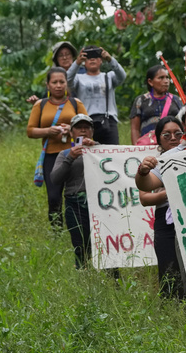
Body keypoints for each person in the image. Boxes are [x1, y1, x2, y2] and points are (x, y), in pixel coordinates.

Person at [26, 67, 88, 227]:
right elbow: (30, 131)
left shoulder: (76, 103)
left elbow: (88, 129)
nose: (58, 85)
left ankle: (79, 228)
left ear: (67, 84)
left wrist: (71, 129)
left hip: (75, 154)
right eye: (54, 82)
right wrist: (48, 131)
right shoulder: (40, 105)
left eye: (62, 82)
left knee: (77, 194)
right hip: (51, 156)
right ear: (48, 85)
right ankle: (57, 231)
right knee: (54, 197)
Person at [137, 116, 186, 300]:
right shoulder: (154, 164)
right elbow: (144, 198)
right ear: (158, 138)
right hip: (165, 221)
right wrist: (172, 192)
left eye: (178, 133)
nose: (173, 138)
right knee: (169, 268)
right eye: (166, 135)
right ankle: (173, 307)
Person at [49, 114, 98, 269]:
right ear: (71, 132)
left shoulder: (102, 150)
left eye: (87, 127)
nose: (83, 130)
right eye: (78, 127)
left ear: (92, 131)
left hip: (99, 203)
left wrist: (96, 147)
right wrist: (70, 157)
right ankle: (83, 274)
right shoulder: (63, 154)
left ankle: (113, 279)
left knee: (103, 243)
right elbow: (55, 179)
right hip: (75, 203)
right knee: (80, 244)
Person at [67, 45, 126, 145]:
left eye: (96, 56)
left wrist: (110, 59)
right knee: (85, 154)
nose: (92, 59)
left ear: (101, 60)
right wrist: (77, 63)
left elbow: (122, 76)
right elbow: (67, 79)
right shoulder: (79, 78)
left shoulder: (109, 76)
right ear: (84, 62)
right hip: (86, 121)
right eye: (88, 57)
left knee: (112, 153)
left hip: (108, 120)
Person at [130, 65, 183, 144]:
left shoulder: (176, 100)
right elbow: (135, 129)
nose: (166, 81)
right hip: (148, 145)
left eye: (167, 77)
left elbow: (183, 125)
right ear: (150, 82)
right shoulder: (141, 100)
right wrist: (137, 149)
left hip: (172, 144)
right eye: (161, 78)